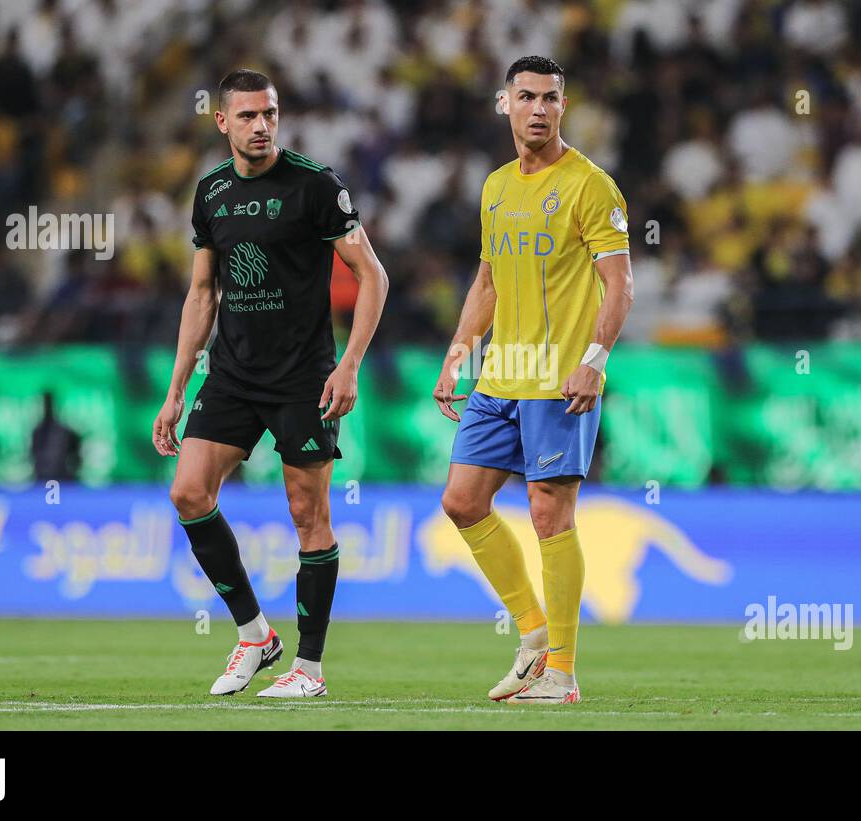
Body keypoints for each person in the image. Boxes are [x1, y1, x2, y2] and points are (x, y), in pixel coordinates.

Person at [152, 69, 388, 698]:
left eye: (271, 114)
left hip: (303, 379)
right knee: (188, 493)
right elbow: (202, 294)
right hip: (231, 373)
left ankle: (308, 670)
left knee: (307, 514)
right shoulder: (211, 193)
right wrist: (177, 389)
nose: (262, 126)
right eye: (249, 116)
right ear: (222, 121)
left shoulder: (315, 185)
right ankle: (256, 634)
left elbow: (373, 276)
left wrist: (350, 365)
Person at [433, 56, 634, 704]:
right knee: (461, 501)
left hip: (558, 377)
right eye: (527, 97)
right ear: (505, 104)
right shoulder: (494, 187)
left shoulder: (591, 185)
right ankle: (532, 633)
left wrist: (595, 359)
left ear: (563, 107)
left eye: (551, 97)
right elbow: (488, 280)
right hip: (502, 374)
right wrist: (459, 351)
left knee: (549, 511)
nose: (539, 108)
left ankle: (563, 673)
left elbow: (620, 283)